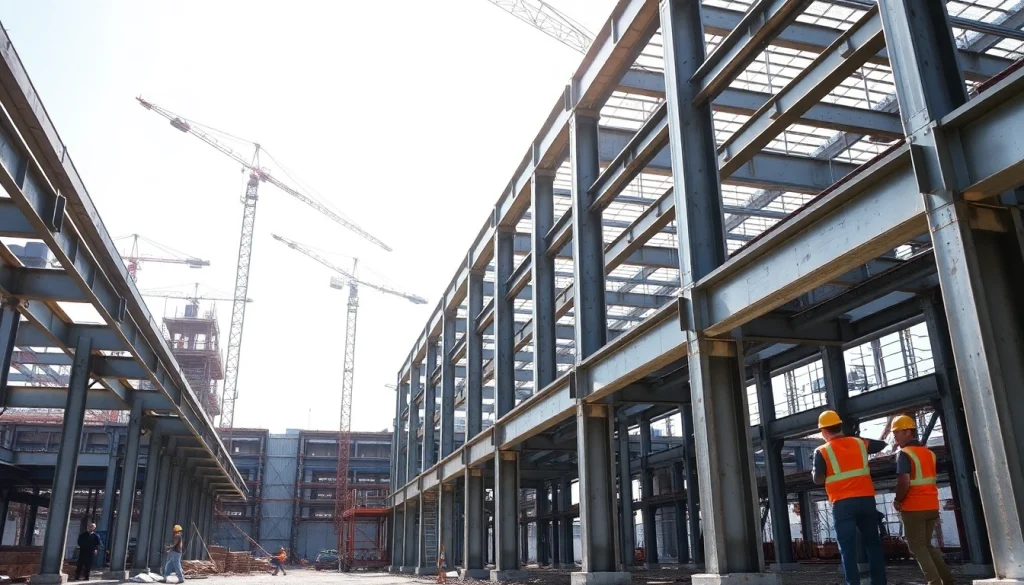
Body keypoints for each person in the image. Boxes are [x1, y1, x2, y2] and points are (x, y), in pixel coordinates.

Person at [812, 410, 888, 585]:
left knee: (847, 548)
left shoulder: (822, 451)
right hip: (867, 500)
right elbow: (881, 444)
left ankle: (853, 583)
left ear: (823, 431)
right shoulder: (860, 443)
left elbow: (818, 479)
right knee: (873, 543)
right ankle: (880, 582)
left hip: (843, 503)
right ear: (840, 426)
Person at [891, 415, 955, 585]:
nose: (894, 436)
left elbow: (904, 480)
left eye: (897, 432)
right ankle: (947, 580)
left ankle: (934, 582)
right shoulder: (929, 453)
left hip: (914, 507)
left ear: (907, 432)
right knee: (926, 545)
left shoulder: (904, 454)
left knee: (917, 547)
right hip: (931, 505)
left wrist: (898, 499)